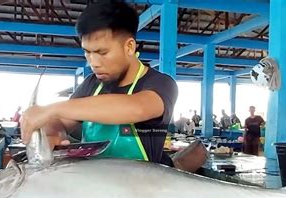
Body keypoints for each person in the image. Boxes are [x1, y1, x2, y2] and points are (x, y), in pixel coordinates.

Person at [20, 1, 178, 165]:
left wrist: (50, 109)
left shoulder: (161, 84)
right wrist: (53, 131)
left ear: (129, 47)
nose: (93, 63)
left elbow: (137, 108)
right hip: (94, 185)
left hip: (141, 187)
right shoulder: (91, 85)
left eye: (102, 52)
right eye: (87, 52)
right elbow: (62, 121)